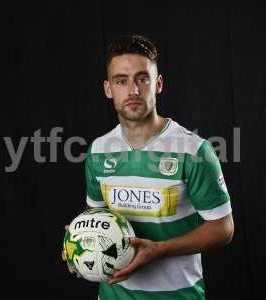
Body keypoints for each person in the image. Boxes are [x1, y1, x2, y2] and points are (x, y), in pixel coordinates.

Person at [64, 34, 234, 300]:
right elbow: (97, 217)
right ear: (108, 89)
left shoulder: (194, 150)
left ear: (158, 84)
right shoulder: (98, 150)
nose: (133, 90)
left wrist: (160, 249)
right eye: (122, 81)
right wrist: (79, 239)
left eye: (142, 79)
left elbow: (223, 229)